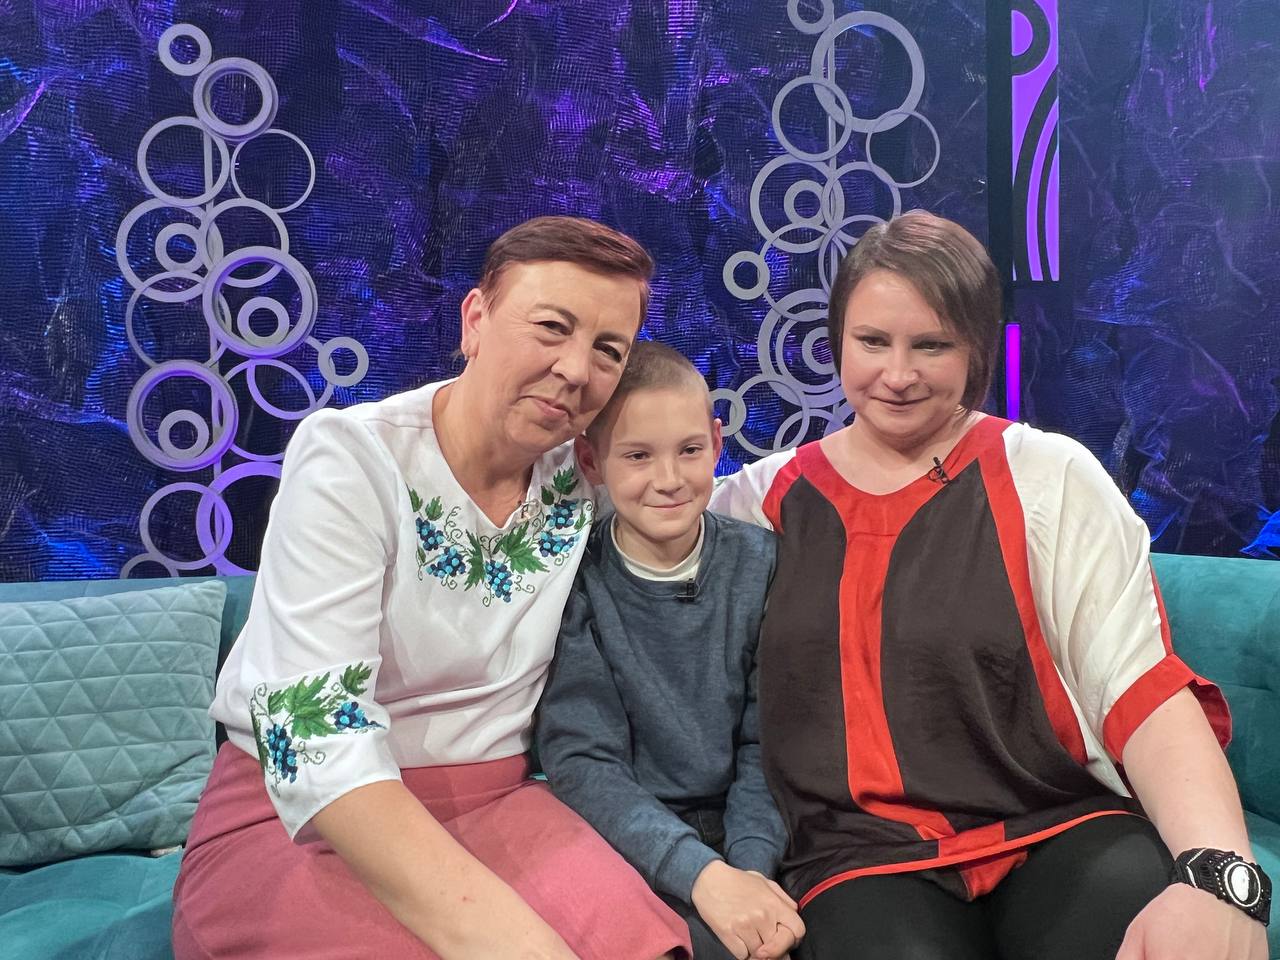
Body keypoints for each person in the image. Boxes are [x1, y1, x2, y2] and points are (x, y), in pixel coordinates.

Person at [709, 210, 1270, 960]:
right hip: (860, 855)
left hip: (1056, 822)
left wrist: (1221, 876)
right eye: (872, 341)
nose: (897, 374)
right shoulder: (754, 503)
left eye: (931, 344)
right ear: (836, 339)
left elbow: (1140, 689)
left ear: (975, 347)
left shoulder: (1050, 477)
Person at [171, 216, 693, 960]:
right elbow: (311, 733)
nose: (577, 369)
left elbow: (714, 495)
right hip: (314, 812)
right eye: (552, 327)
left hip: (501, 801)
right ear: (475, 320)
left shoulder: (584, 473)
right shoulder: (353, 459)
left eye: (609, 350)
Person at [535, 342, 805, 960]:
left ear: (716, 442)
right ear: (591, 460)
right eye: (638, 456)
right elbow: (584, 762)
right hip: (630, 840)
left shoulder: (764, 565)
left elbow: (771, 742)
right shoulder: (575, 583)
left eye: (689, 450)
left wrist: (749, 875)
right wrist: (702, 875)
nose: (669, 479)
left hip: (758, 836)